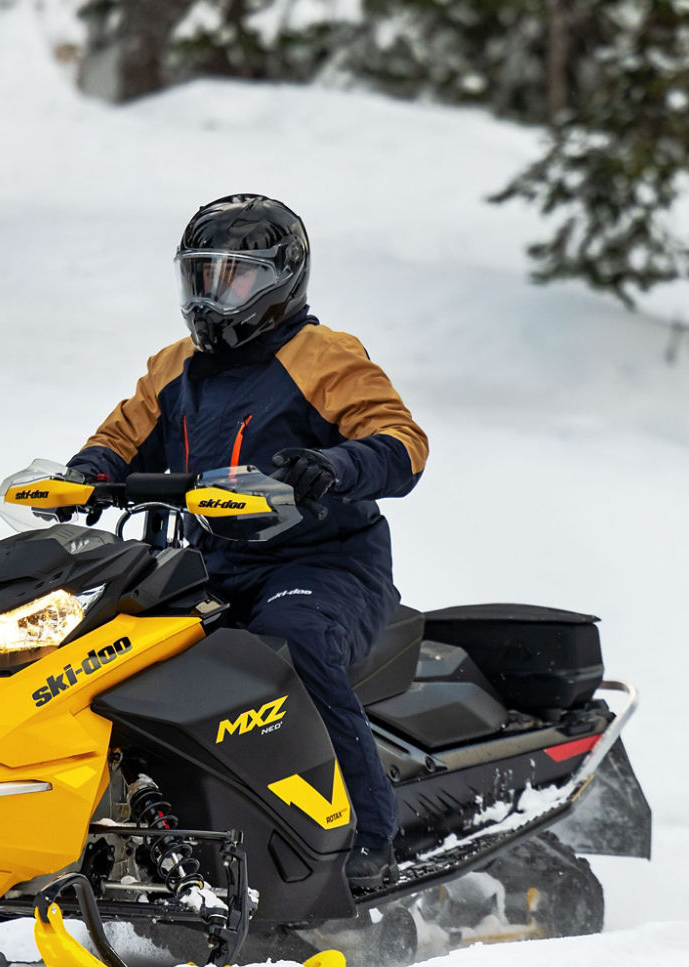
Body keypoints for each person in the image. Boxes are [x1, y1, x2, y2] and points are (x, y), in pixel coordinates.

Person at [66, 194, 427, 891]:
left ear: (280, 279)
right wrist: (88, 472)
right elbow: (121, 435)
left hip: (324, 564)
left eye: (231, 277)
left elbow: (401, 442)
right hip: (214, 560)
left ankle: (369, 833)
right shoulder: (176, 365)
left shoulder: (322, 356)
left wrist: (337, 465)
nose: (211, 294)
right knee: (120, 647)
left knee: (291, 643)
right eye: (199, 277)